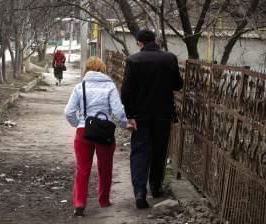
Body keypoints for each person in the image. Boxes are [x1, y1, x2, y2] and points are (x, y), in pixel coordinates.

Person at [121, 29, 183, 209]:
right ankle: (155, 187)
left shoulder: (133, 60)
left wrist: (130, 115)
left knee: (140, 151)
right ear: (155, 41)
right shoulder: (169, 58)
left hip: (140, 116)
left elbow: (126, 92)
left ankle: (140, 191)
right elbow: (177, 84)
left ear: (140, 42)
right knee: (159, 150)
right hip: (163, 114)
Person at [65, 56, 129, 217]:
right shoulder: (110, 86)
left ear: (87, 69)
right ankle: (104, 200)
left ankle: (79, 203)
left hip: (83, 131)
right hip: (104, 132)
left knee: (82, 169)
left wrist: (78, 124)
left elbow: (69, 112)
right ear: (102, 69)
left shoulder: (80, 87)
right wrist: (124, 124)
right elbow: (118, 110)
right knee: (105, 168)